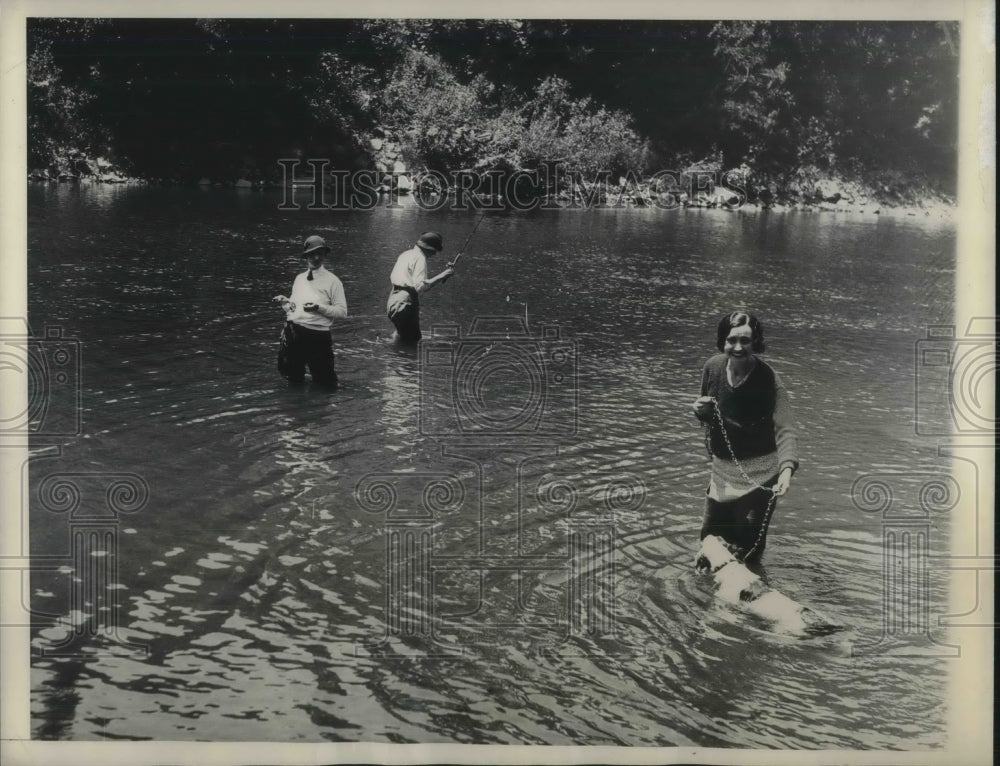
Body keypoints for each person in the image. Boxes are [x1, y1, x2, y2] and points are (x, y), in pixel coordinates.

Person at [692, 311, 799, 564]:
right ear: (723, 341)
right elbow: (710, 417)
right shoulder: (712, 367)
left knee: (747, 549)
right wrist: (700, 412)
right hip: (722, 472)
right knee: (708, 542)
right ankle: (704, 599)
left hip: (760, 475)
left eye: (745, 341)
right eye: (731, 340)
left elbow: (786, 428)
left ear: (756, 343)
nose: (738, 347)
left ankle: (750, 590)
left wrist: (786, 471)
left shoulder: (769, 380)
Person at [273, 235, 348, 387]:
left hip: (318, 336)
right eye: (312, 254)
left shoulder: (333, 281)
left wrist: (318, 307)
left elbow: (342, 312)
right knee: (293, 380)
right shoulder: (299, 279)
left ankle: (321, 410)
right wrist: (285, 303)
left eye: (320, 253)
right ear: (306, 256)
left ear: (325, 255)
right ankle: (296, 409)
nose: (316, 257)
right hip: (294, 334)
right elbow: (293, 309)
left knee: (325, 384)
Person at [385, 231, 454, 345]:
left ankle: (390, 356)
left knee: (401, 333)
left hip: (392, 300)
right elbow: (420, 287)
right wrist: (442, 275)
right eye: (435, 251)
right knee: (413, 343)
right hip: (405, 302)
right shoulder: (420, 259)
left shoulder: (405, 254)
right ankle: (404, 362)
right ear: (430, 249)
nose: (435, 254)